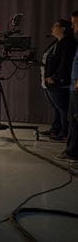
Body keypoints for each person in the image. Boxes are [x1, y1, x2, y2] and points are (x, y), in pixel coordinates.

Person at [40, 19, 76, 142]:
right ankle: (56, 129)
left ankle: (64, 133)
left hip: (58, 82)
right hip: (48, 81)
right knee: (56, 107)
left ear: (63, 29)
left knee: (62, 108)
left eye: (55, 26)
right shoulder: (57, 42)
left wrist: (55, 78)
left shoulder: (68, 43)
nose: (52, 28)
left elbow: (65, 64)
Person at [53, 11, 78, 163]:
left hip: (75, 86)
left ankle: (72, 153)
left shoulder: (69, 42)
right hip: (73, 86)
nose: (73, 27)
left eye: (75, 23)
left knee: (74, 121)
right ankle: (71, 151)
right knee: (72, 120)